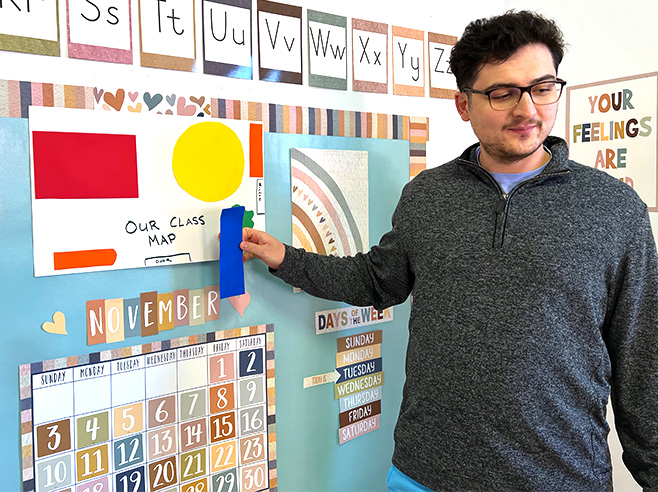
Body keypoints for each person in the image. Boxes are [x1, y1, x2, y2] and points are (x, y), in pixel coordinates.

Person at [240, 10, 658, 492]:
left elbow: (641, 360)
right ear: (463, 103)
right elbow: (378, 280)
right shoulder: (428, 195)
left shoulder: (612, 208)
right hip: (424, 473)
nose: (528, 110)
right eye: (503, 93)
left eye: (543, 88)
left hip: (559, 477)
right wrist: (285, 258)